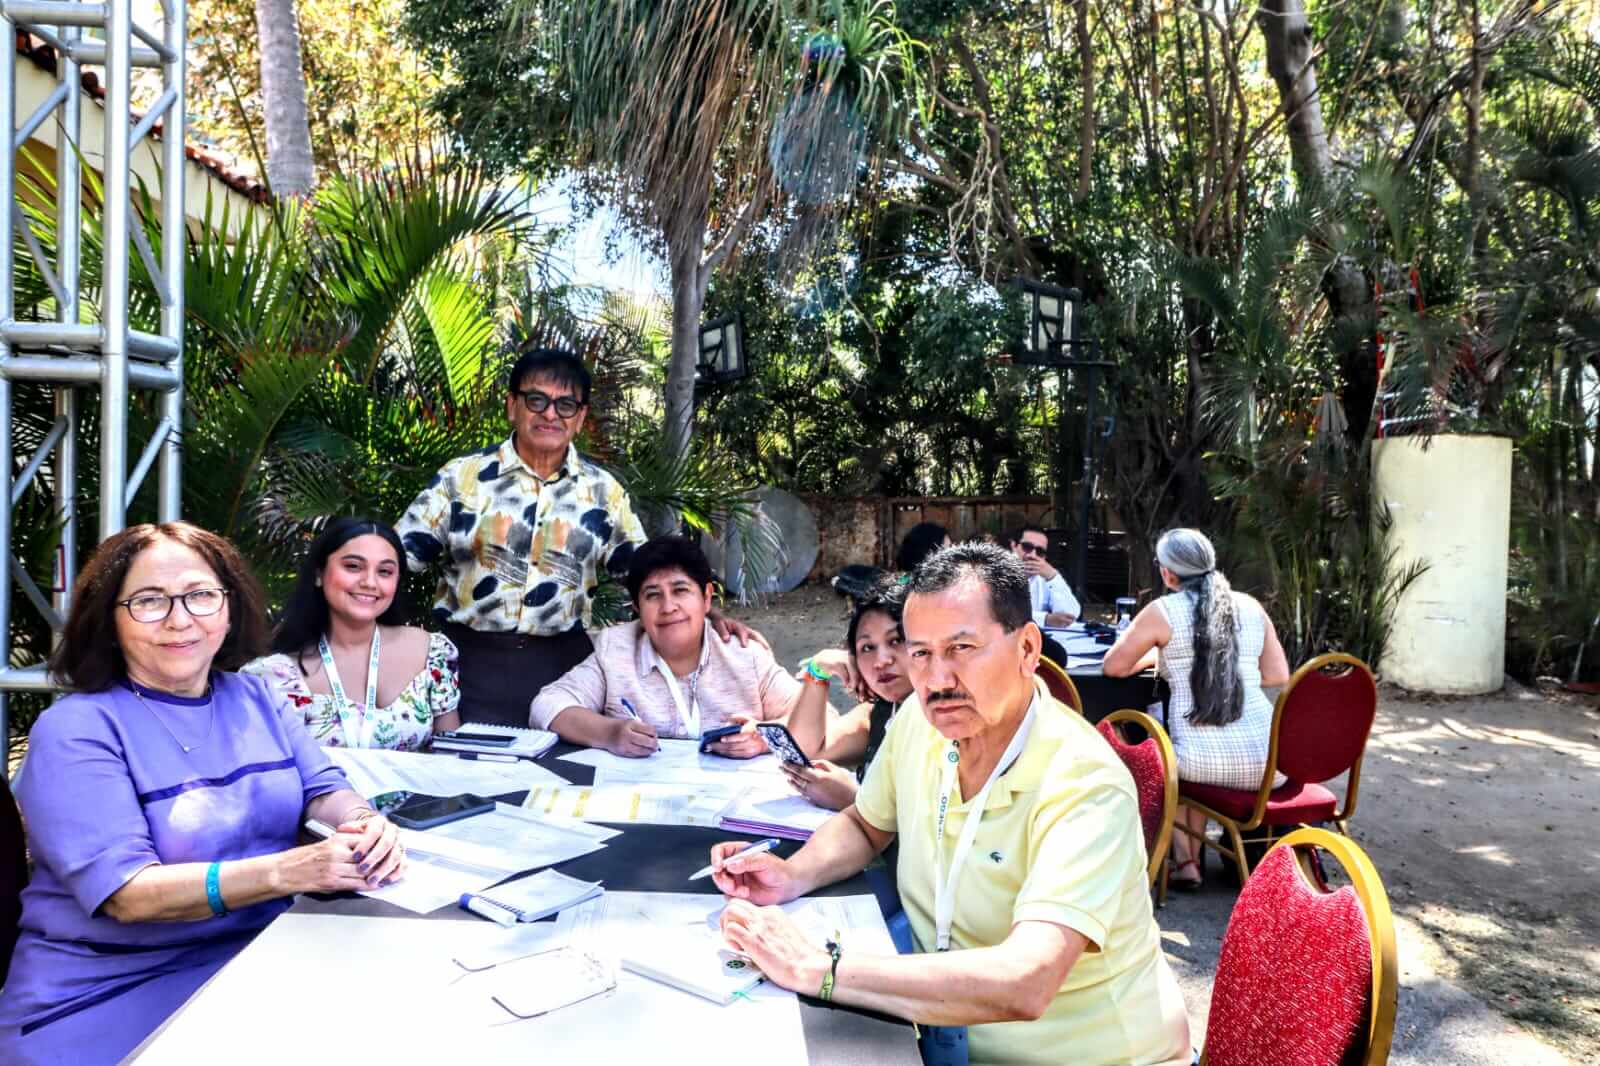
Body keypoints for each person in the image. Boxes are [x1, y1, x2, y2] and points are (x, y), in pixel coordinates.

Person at [707, 543, 1191, 1066]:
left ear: (1028, 649)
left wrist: (818, 967)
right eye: (920, 653)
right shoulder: (922, 721)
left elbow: (1026, 980)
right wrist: (791, 874)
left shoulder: (1084, 784)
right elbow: (866, 825)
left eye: (962, 648)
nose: (937, 680)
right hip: (931, 1028)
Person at [0, 522, 405, 1064]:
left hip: (259, 962)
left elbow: (323, 787)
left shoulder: (258, 696)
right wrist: (289, 872)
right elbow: (129, 895)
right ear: (109, 618)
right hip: (106, 993)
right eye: (149, 601)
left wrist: (364, 822)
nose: (180, 619)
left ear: (229, 606)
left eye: (200, 595)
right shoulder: (77, 729)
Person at [395, 346, 761, 726]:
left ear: (580, 417)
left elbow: (648, 574)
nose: (550, 414)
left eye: (565, 405)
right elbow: (393, 561)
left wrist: (708, 613)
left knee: (566, 765)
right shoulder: (460, 479)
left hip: (564, 673)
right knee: (463, 763)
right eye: (536, 400)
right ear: (512, 405)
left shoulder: (603, 493)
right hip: (466, 668)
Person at [1102, 528, 1290, 890]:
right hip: (1271, 763)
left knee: (1160, 750)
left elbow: (1115, 666)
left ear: (1167, 574)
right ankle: (1187, 860)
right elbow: (1278, 675)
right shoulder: (1251, 607)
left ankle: (1184, 860)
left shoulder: (1163, 611)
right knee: (1185, 754)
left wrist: (1160, 656)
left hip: (1200, 763)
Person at [530, 536, 817, 758]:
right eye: (653, 595)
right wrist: (609, 733)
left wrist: (763, 738)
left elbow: (818, 717)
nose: (668, 607)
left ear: (706, 597)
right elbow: (547, 705)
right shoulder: (616, 651)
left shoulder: (743, 654)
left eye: (681, 590)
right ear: (637, 608)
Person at [242, 517, 461, 750]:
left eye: (385, 571)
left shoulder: (431, 652)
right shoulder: (273, 676)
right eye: (353, 567)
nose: (370, 582)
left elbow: (452, 757)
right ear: (319, 574)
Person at [782, 580, 913, 810]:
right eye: (867, 648)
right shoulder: (881, 714)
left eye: (896, 640)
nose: (881, 661)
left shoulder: (946, 723)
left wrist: (853, 800)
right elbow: (804, 750)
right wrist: (818, 670)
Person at [1010, 524, 1080, 628]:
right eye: (1027, 547)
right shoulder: (995, 571)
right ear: (1013, 546)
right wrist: (1045, 619)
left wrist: (1053, 577)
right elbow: (998, 613)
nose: (1032, 555)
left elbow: (1070, 615)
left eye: (1040, 552)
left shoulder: (1045, 577)